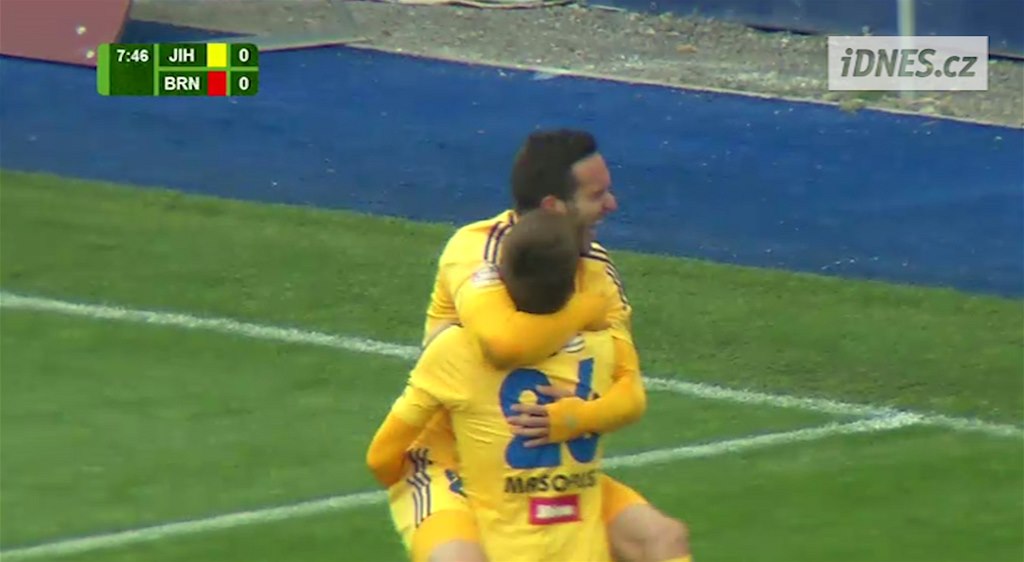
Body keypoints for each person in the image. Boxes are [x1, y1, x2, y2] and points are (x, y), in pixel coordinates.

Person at [372, 129, 691, 562]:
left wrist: (575, 417)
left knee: (662, 540)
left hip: (544, 466)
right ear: (553, 207)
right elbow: (504, 344)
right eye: (597, 195)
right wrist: (585, 310)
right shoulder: (481, 251)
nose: (612, 205)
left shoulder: (597, 268)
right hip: (452, 466)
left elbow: (630, 393)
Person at [368, 209, 621, 562]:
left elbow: (381, 458)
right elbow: (628, 403)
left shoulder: (457, 350)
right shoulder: (603, 350)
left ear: (503, 275)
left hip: (492, 524)